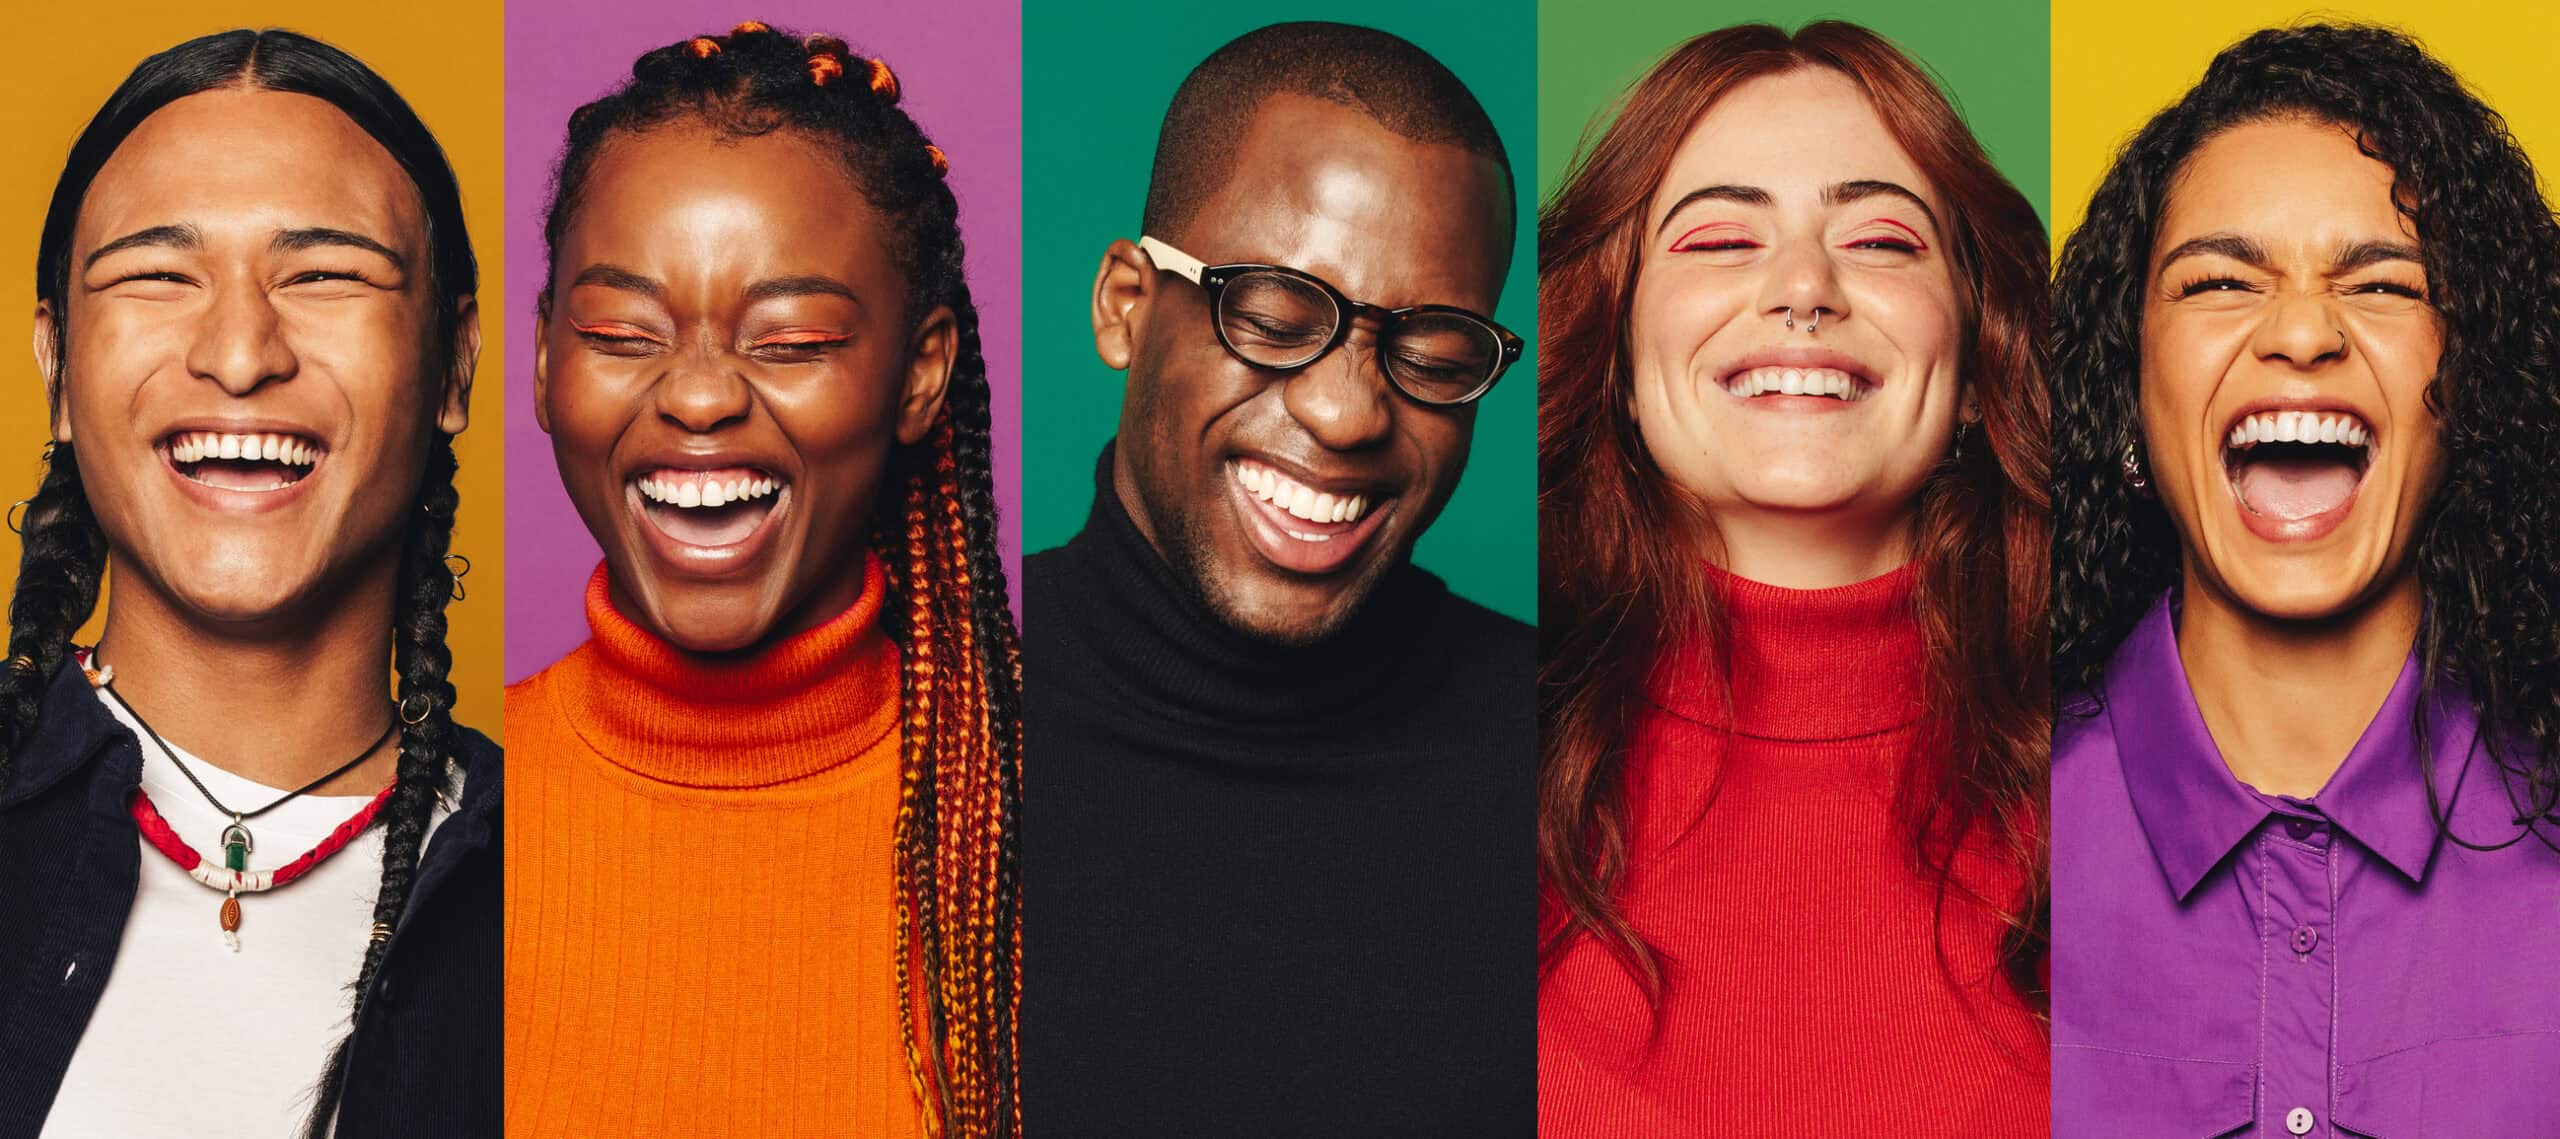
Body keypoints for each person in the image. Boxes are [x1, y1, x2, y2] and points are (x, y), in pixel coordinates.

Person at [505, 22, 1022, 1138]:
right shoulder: (433, 816)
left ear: (921, 373)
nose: (698, 398)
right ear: (544, 359)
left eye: (788, 340)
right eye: (620, 331)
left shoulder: (1031, 834)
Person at [1019, 20, 1533, 1135]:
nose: (1346, 412)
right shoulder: (915, 707)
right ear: (1123, 305)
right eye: (1276, 311)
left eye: (1435, 348)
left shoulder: (1582, 751)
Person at [1534, 22, 2049, 1134]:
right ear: (1617, 360)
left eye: (1879, 241)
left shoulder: (2126, 766)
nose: (1803, 287)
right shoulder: (1472, 745)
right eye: (1720, 240)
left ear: (1973, 365)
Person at [2050, 23, 2560, 1135]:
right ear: (2128, 391)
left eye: (2382, 282)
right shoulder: (1974, 825)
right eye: (2220, 279)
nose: (2299, 332)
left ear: (2471, 386)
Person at [0, 29, 492, 1139]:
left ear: (453, 364)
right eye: (157, 275)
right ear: (58, 368)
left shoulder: (562, 885)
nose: (237, 351)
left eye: (322, 274)